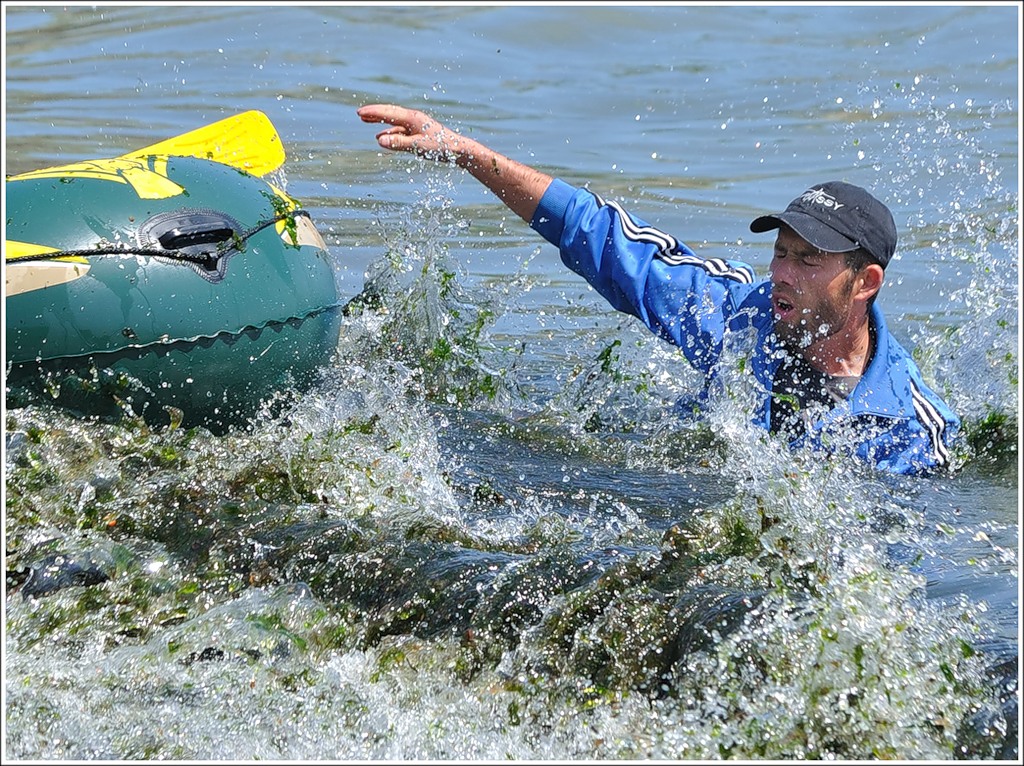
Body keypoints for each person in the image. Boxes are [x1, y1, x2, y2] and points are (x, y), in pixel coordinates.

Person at [357, 103, 960, 476]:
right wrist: (467, 154)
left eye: (808, 261)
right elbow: (602, 240)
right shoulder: (740, 317)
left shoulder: (910, 430)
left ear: (865, 284)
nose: (782, 274)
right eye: (780, 253)